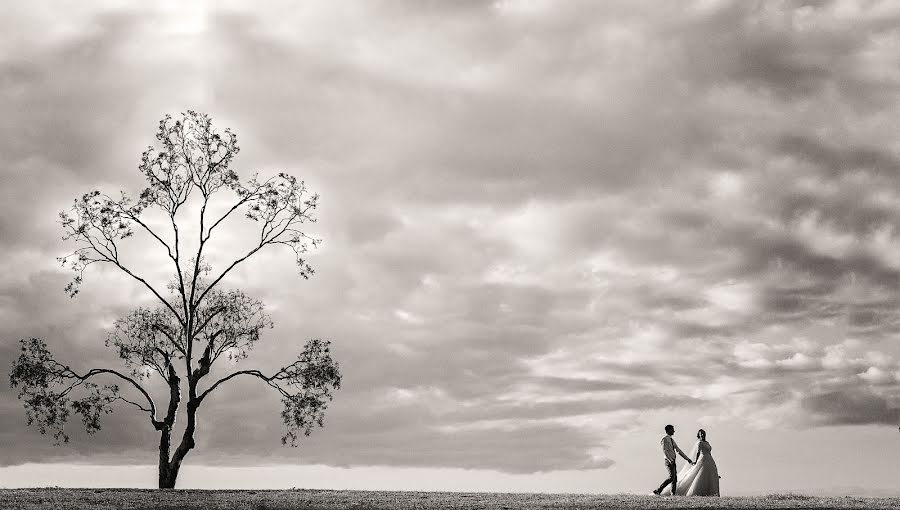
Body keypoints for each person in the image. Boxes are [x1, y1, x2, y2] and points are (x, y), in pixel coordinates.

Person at [673, 429, 720, 496]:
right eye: (701, 434)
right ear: (699, 435)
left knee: (710, 475)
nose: (703, 435)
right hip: (702, 459)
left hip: (710, 460)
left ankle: (712, 493)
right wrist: (697, 461)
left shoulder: (707, 443)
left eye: (703, 433)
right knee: (701, 475)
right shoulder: (700, 443)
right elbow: (698, 453)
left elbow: (709, 452)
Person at [653, 424, 693, 496]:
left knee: (674, 479)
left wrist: (688, 459)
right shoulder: (664, 439)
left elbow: (678, 450)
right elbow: (665, 451)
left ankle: (673, 494)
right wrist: (670, 460)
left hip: (673, 460)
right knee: (672, 477)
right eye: (672, 429)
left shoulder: (671, 440)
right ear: (668, 430)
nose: (674, 431)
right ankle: (658, 490)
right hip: (669, 461)